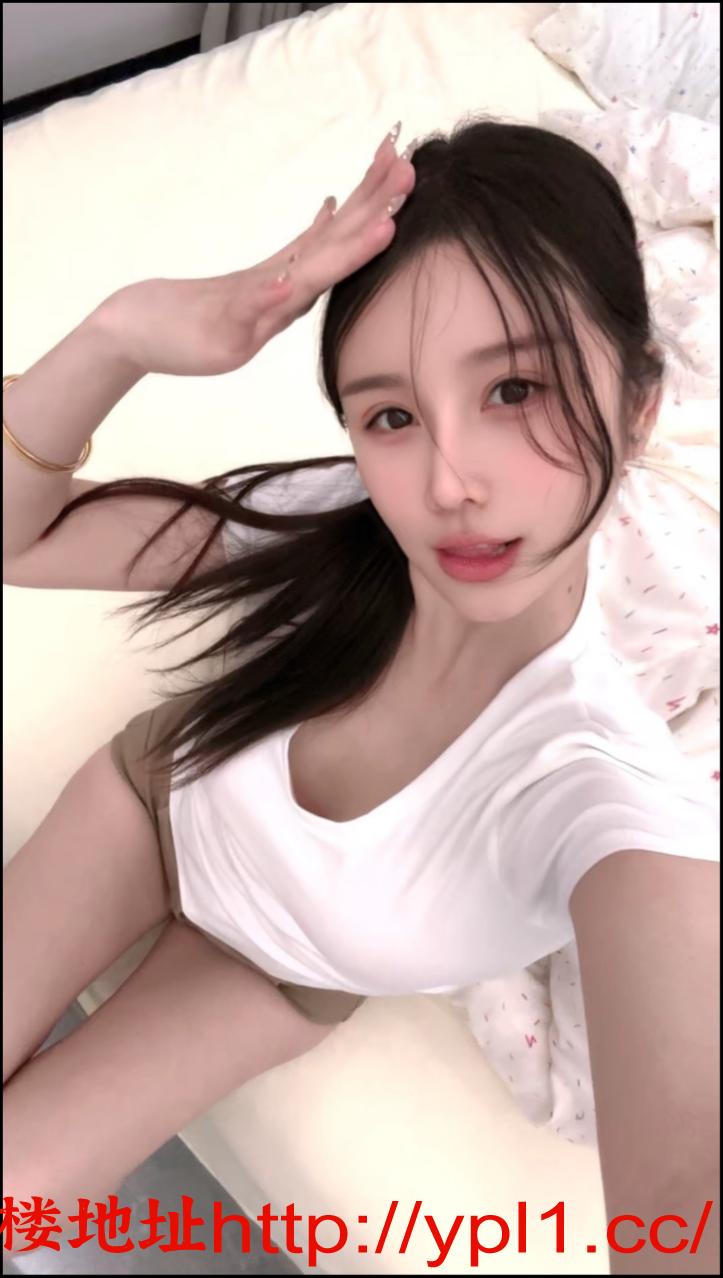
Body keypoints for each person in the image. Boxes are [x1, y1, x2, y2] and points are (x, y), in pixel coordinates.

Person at [3, 118, 719, 1272]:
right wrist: (123, 330)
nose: (448, 481)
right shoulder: (342, 519)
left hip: (275, 972)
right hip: (149, 809)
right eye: (392, 415)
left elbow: (685, 1182)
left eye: (516, 388)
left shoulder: (602, 786)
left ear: (640, 407)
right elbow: (19, 539)